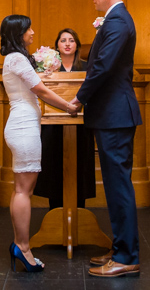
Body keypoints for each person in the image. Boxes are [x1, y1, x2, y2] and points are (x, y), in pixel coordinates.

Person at [69, 0, 142, 278]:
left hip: (114, 114)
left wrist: (78, 99)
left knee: (118, 186)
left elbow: (102, 67)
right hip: (112, 114)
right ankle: (120, 248)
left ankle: (126, 257)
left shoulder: (117, 21)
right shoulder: (116, 20)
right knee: (114, 186)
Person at [0, 14, 79, 273]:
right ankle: (23, 248)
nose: (33, 32)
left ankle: (19, 245)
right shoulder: (16, 58)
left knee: (21, 189)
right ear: (18, 33)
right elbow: (41, 90)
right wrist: (69, 106)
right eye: (28, 29)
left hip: (22, 125)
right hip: (23, 128)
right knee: (24, 190)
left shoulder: (16, 59)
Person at [34, 28, 97, 209]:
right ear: (57, 46)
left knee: (80, 169)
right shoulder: (47, 69)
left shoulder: (88, 67)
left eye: (71, 40)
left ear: (77, 44)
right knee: (54, 169)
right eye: (63, 40)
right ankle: (54, 212)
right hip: (53, 127)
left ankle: (80, 211)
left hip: (81, 126)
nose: (67, 44)